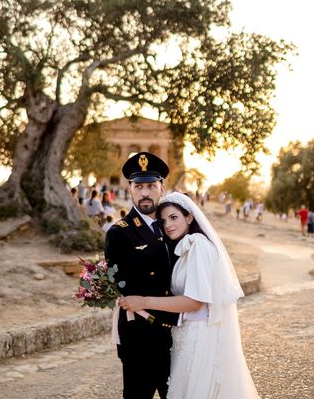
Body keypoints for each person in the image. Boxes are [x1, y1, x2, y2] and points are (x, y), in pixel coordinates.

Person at [120, 192, 260, 398]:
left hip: (200, 337)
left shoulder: (198, 246)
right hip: (187, 334)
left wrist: (144, 301)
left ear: (189, 217)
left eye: (173, 217)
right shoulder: (187, 247)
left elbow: (194, 302)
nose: (167, 225)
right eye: (163, 221)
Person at [104, 152, 179, 399]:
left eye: (151, 186)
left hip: (178, 331)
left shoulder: (174, 228)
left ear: (162, 188)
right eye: (139, 186)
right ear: (130, 189)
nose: (145, 192)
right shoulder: (119, 233)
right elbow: (128, 287)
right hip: (141, 336)